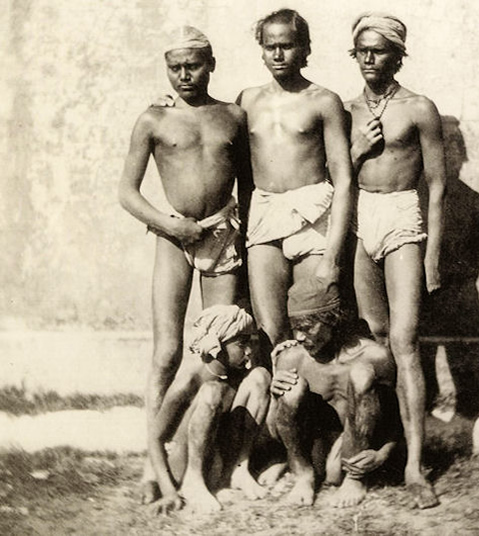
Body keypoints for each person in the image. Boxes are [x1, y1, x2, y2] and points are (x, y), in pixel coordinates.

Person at [118, 25, 253, 503]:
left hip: (223, 234)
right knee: (167, 352)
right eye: (174, 67)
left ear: (211, 64)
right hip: (173, 236)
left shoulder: (232, 116)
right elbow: (127, 193)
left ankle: (208, 461)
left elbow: (250, 188)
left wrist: (247, 240)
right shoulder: (153, 119)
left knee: (220, 354)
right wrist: (171, 226)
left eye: (192, 65)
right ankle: (152, 468)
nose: (183, 75)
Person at [345, 12, 446, 509]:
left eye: (378, 50)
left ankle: (415, 466)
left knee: (406, 343)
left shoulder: (419, 108)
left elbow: (439, 185)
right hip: (364, 218)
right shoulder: (344, 109)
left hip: (403, 216)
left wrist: (432, 253)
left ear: (398, 55)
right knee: (376, 342)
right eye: (360, 50)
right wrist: (356, 148)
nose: (368, 58)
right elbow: (332, 172)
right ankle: (380, 446)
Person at [236, 9, 353, 355]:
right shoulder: (246, 100)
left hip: (312, 212)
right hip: (265, 211)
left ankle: (317, 408)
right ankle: (279, 407)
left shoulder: (324, 101)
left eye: (286, 45)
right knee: (270, 329)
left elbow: (344, 179)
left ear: (304, 48)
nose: (278, 54)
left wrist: (332, 255)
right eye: (270, 46)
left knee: (314, 326)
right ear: (261, 49)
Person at [267, 277, 398, 508]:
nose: (298, 337)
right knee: (292, 387)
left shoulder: (376, 356)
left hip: (356, 451)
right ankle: (303, 476)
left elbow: (396, 421)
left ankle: (355, 479)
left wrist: (382, 454)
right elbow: (275, 432)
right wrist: (275, 396)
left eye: (306, 328)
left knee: (362, 374)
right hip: (316, 452)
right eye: (295, 328)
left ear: (332, 320)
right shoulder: (292, 358)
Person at [148, 305, 270, 515]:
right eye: (242, 343)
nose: (249, 350)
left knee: (260, 377)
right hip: (185, 463)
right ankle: (193, 482)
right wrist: (168, 491)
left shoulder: (237, 373)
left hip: (217, 459)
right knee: (212, 391)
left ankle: (239, 469)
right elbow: (155, 439)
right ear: (217, 345)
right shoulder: (190, 381)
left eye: (250, 342)